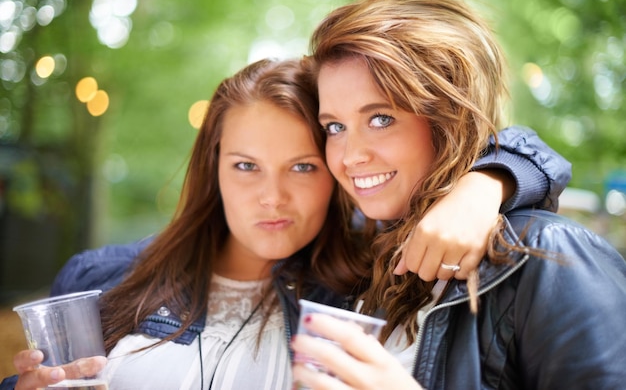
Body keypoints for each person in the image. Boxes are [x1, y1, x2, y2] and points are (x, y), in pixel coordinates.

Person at [3, 54, 569, 390]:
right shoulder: (99, 278)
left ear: (336, 172)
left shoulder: (373, 290)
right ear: (214, 169)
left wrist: (485, 185)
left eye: (302, 166)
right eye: (246, 166)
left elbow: (528, 151)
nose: (272, 197)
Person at [291, 0, 626, 390]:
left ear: (450, 120)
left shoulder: (548, 254)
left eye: (381, 118)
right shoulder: (359, 264)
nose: (350, 155)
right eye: (336, 126)